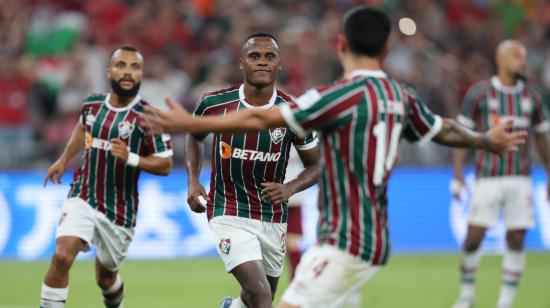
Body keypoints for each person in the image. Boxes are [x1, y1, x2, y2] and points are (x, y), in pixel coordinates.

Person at [144, 6, 527, 308]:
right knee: (262, 299)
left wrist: (182, 122)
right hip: (373, 240)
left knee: (268, 300)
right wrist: (485, 140)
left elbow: (265, 116)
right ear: (387, 50)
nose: (262, 62)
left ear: (342, 45)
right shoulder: (400, 96)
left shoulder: (337, 96)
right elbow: (443, 127)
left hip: (342, 239)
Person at [184, 32, 320, 308]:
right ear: (242, 63)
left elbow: (318, 164)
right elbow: (194, 136)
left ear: (279, 64)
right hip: (228, 210)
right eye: (254, 56)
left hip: (272, 214)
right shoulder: (214, 104)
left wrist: (289, 188)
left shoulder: (293, 113)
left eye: (269, 56)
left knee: (257, 296)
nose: (261, 62)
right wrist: (192, 180)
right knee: (260, 295)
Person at [40, 45, 173, 308]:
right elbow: (82, 127)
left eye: (134, 67)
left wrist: (131, 158)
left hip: (120, 211)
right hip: (83, 194)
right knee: (62, 256)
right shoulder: (91, 104)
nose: (127, 72)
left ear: (141, 75)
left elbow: (166, 164)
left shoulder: (149, 117)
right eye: (121, 65)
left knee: (105, 276)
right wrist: (64, 159)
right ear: (109, 70)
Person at [450, 40, 550, 308]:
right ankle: (467, 296)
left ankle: (505, 302)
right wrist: (458, 174)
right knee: (474, 238)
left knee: (516, 237)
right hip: (487, 177)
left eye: (525, 55)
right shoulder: (479, 94)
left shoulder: (534, 96)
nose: (523, 60)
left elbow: (542, 139)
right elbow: (462, 134)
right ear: (500, 59)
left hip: (521, 178)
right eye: (517, 55)